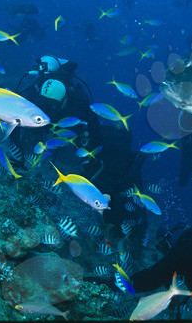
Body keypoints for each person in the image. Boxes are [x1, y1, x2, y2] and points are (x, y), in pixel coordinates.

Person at [12, 56, 145, 230]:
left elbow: (95, 137)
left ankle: (133, 172)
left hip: (87, 137)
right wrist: (18, 155)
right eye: (47, 105)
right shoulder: (33, 95)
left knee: (113, 184)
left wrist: (94, 174)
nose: (52, 109)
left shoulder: (79, 101)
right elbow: (13, 120)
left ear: (65, 97)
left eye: (55, 105)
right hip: (62, 138)